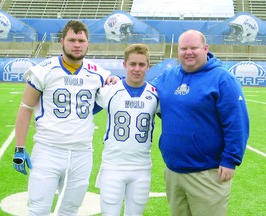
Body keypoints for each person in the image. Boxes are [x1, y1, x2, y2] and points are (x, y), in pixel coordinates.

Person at [12, 20, 119, 215]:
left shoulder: (99, 74)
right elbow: (26, 107)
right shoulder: (44, 70)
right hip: (48, 150)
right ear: (62, 41)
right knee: (38, 209)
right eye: (72, 40)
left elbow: (100, 101)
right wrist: (19, 148)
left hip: (81, 152)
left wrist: (114, 81)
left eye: (81, 40)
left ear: (88, 43)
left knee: (70, 210)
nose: (76, 44)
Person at [151, 30, 249, 216]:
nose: (188, 52)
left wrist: (230, 160)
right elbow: (143, 88)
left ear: (205, 49)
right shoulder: (167, 77)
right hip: (174, 171)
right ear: (177, 51)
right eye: (183, 48)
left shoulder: (222, 79)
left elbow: (237, 122)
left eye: (194, 48)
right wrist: (116, 80)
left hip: (207, 174)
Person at [95, 43, 160, 216]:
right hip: (113, 166)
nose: (137, 69)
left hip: (142, 167)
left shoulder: (155, 94)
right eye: (133, 64)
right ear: (124, 65)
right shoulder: (110, 91)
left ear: (148, 66)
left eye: (141, 64)